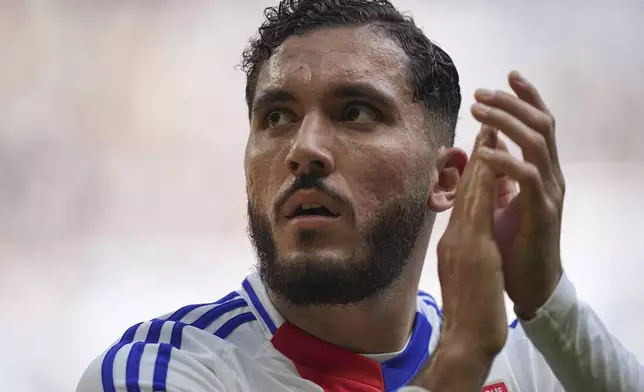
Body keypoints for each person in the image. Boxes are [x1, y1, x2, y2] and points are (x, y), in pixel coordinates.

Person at [77, 1, 644, 391]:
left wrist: (547, 300)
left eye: (355, 112)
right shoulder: (164, 370)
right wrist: (459, 361)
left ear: (446, 180)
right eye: (276, 117)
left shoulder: (523, 356)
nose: (304, 149)